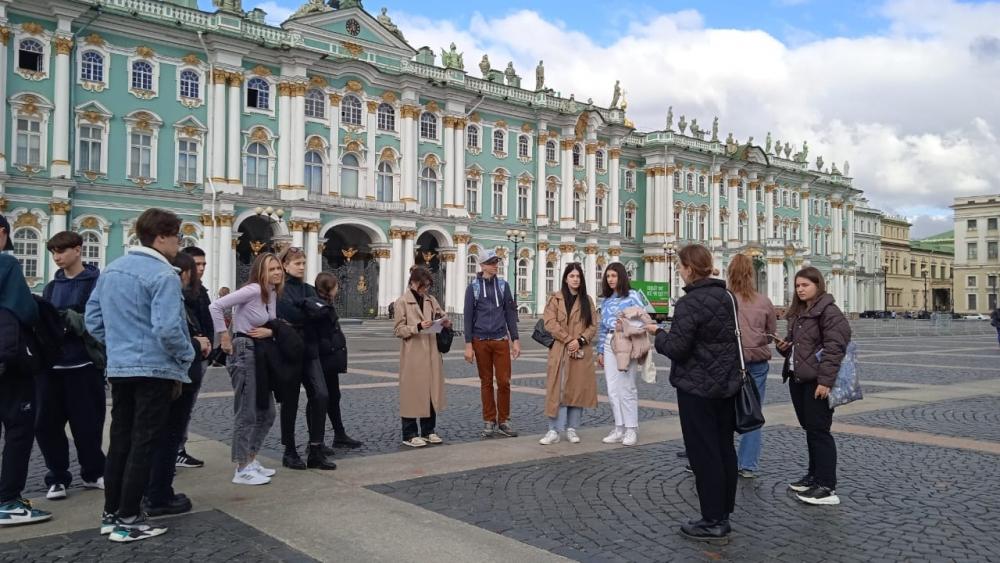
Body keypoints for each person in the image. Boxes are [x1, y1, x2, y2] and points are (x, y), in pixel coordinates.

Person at [85, 208, 195, 542]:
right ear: (161, 237)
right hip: (154, 369)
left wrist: (119, 344)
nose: (179, 243)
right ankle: (129, 517)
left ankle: (111, 512)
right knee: (144, 442)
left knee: (120, 440)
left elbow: (92, 321)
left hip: (120, 368)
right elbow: (167, 328)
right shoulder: (163, 275)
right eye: (177, 236)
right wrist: (187, 355)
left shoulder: (112, 270)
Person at [654, 244, 741, 542]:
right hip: (726, 386)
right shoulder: (727, 297)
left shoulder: (689, 303)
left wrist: (658, 335)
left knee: (704, 454)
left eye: (680, 266)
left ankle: (712, 520)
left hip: (697, 388)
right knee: (724, 449)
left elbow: (677, 348)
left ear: (689, 269)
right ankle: (724, 513)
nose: (679, 270)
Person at [35, 231, 105, 501]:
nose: (57, 257)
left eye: (61, 251)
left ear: (78, 250)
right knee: (47, 424)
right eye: (53, 252)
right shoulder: (52, 286)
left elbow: (97, 320)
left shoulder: (96, 282)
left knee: (87, 423)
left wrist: (68, 320)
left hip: (84, 362)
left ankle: (93, 472)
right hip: (52, 365)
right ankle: (57, 476)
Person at [776, 266, 851, 506]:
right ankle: (813, 476)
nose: (800, 290)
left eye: (805, 285)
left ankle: (827, 486)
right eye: (797, 286)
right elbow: (799, 346)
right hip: (798, 379)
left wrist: (825, 382)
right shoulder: (800, 313)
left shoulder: (829, 313)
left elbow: (834, 349)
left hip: (817, 382)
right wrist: (783, 348)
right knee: (810, 429)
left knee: (820, 431)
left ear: (818, 285)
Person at [143, 252, 211, 517]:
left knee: (153, 434)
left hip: (160, 370)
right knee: (166, 435)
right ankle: (157, 494)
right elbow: (171, 333)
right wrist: (195, 345)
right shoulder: (175, 295)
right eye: (194, 268)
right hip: (176, 372)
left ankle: (142, 493)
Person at [209, 253, 284, 486]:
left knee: (267, 412)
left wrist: (271, 332)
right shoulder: (252, 289)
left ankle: (250, 458)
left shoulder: (271, 293)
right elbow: (216, 306)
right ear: (260, 271)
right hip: (244, 350)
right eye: (271, 269)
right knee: (247, 411)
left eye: (278, 268)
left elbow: (269, 322)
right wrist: (224, 336)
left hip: (260, 352)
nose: (277, 272)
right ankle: (241, 467)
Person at [0, 215, 51, 527]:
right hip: (9, 363)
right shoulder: (6, 264)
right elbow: (26, 311)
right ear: (3, 233)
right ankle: (7, 500)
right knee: (19, 429)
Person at [275, 247, 336, 470]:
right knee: (290, 401)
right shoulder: (279, 291)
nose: (301, 267)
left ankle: (316, 448)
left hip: (310, 350)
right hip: (289, 352)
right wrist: (308, 310)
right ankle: (289, 450)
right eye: (297, 263)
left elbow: (326, 316)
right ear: (285, 265)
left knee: (321, 395)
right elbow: (290, 315)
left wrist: (308, 311)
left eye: (303, 262)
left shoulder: (309, 289)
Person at [727, 254, 777, 479]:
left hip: (729, 362)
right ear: (752, 274)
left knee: (723, 411)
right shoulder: (764, 301)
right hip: (756, 362)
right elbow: (770, 333)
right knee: (753, 412)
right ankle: (747, 464)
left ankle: (722, 457)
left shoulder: (724, 298)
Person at [463, 249, 520, 438]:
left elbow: (511, 314)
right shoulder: (473, 288)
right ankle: (489, 420)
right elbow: (468, 317)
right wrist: (468, 344)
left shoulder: (504, 286)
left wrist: (515, 340)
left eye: (496, 262)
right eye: (491, 262)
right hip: (480, 341)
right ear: (482, 265)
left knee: (504, 382)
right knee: (486, 382)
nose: (495, 265)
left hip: (500, 340)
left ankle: (504, 420)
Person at [539, 263, 598, 445]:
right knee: (557, 390)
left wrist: (579, 341)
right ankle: (554, 430)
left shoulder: (587, 300)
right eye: (572, 276)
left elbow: (593, 325)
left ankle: (572, 428)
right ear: (565, 278)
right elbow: (549, 323)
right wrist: (568, 340)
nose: (575, 279)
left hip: (579, 351)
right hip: (560, 350)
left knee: (576, 389)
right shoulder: (555, 299)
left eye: (578, 276)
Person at [595, 262, 652, 446]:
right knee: (612, 389)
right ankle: (619, 427)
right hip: (609, 342)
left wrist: (627, 323)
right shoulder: (606, 300)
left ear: (622, 277)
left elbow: (643, 320)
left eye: (614, 276)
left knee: (627, 387)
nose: (610, 279)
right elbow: (603, 327)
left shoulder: (633, 296)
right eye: (608, 276)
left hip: (627, 342)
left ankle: (631, 429)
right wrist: (600, 351)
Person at [395, 266, 450, 447]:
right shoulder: (402, 302)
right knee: (412, 392)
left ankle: (429, 430)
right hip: (413, 353)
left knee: (430, 391)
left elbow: (441, 316)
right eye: (423, 286)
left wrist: (444, 321)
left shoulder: (431, 300)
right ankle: (409, 433)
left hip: (432, 352)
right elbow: (398, 330)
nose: (425, 290)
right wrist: (417, 327)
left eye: (427, 286)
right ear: (413, 282)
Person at [314, 273, 363, 449]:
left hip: (329, 358)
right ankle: (315, 440)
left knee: (333, 397)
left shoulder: (326, 304)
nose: (338, 289)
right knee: (320, 399)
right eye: (336, 286)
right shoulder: (319, 307)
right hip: (323, 358)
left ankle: (339, 434)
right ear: (329, 288)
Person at [175, 246, 213, 469]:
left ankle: (178, 447)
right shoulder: (180, 291)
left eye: (204, 264)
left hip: (201, 354)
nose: (200, 269)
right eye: (196, 264)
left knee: (187, 405)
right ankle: (175, 449)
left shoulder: (201, 290)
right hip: (187, 354)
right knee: (179, 405)